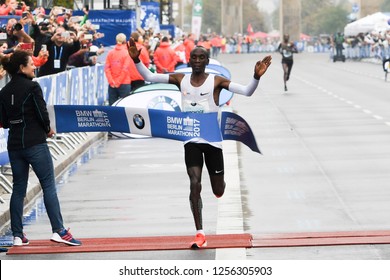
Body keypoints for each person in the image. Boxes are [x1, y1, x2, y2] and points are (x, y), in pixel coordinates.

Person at [127, 38, 272, 249]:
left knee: (218, 189)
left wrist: (256, 77)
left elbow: (247, 91)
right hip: (191, 138)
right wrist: (136, 59)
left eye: (201, 57)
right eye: (193, 57)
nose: (196, 60)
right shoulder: (180, 79)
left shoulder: (216, 81)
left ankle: (220, 186)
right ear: (189, 59)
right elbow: (149, 76)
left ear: (206, 61)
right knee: (194, 183)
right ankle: (200, 233)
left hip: (213, 140)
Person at [0, 50, 81, 246]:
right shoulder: (33, 87)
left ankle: (18, 235)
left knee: (18, 189)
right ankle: (59, 231)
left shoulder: (3, 92)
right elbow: (42, 113)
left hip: (15, 145)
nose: (35, 66)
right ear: (22, 67)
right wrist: (48, 129)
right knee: (48, 186)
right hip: (35, 142)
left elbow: (4, 122)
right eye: (31, 63)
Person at [104, 33, 132, 105]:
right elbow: (125, 69)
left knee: (113, 106)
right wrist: (118, 82)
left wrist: (111, 81)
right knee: (124, 106)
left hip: (112, 84)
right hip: (124, 83)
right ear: (125, 41)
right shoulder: (126, 53)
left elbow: (107, 68)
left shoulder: (110, 53)